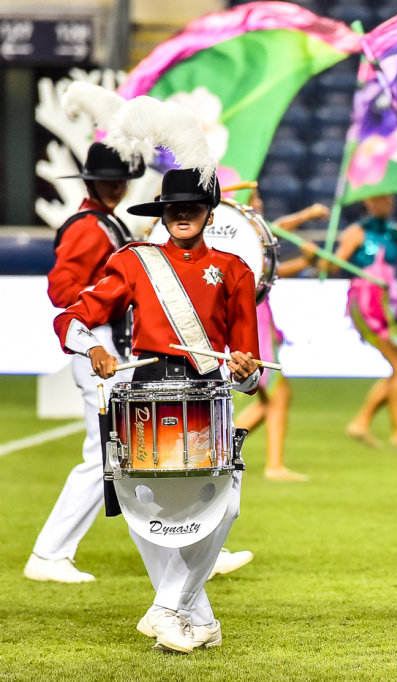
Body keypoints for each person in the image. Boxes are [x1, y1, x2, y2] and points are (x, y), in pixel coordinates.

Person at [54, 166, 262, 653]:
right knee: (142, 507)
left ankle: (168, 608)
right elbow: (70, 318)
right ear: (163, 212)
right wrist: (93, 349)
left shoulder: (236, 270)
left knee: (225, 505)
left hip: (208, 395)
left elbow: (251, 378)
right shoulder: (133, 262)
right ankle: (197, 618)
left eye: (193, 205)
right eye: (174, 206)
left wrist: (245, 368)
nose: (183, 213)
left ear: (211, 213)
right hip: (146, 394)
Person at [24, 141, 145, 583]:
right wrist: (102, 304)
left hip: (112, 343)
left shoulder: (106, 223)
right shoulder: (90, 227)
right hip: (99, 343)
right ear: (92, 181)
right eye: (108, 180)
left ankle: (189, 547)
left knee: (126, 455)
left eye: (120, 180)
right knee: (106, 458)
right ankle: (50, 553)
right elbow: (61, 290)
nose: (115, 186)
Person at [325, 195, 397, 450]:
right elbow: (333, 264)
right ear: (368, 202)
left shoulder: (396, 233)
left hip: (389, 302)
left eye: (388, 199)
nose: (385, 203)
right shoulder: (356, 232)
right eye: (379, 199)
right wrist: (323, 261)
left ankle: (363, 422)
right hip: (368, 302)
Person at [234, 190, 329, 481]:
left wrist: (305, 258)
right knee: (277, 394)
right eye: (254, 198)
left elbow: (275, 242)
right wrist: (307, 218)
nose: (260, 204)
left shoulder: (241, 238)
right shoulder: (244, 235)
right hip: (255, 321)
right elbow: (275, 236)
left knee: (271, 398)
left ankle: (219, 447)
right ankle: (274, 465)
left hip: (259, 319)